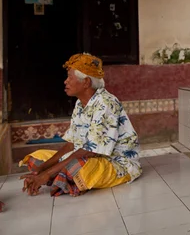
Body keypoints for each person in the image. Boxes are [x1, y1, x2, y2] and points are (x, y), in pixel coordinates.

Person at [19, 53, 141, 197]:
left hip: (114, 164)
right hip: (84, 156)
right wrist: (42, 169)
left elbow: (91, 151)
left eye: (70, 77)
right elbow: (71, 144)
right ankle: (63, 179)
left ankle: (62, 178)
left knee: (77, 167)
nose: (65, 81)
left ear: (86, 82)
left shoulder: (106, 103)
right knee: (37, 158)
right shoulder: (80, 103)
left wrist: (47, 174)